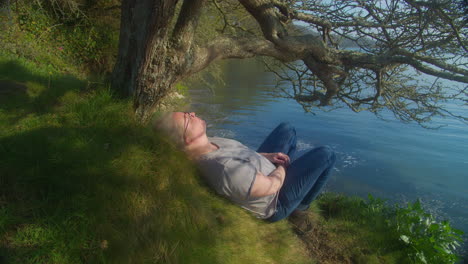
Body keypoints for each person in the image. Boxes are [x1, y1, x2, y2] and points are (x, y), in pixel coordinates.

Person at [155, 112, 336, 223]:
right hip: (275, 199)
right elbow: (270, 187)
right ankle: (300, 208)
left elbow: (242, 153)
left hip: (260, 167)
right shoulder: (223, 169)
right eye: (188, 118)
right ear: (186, 139)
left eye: (188, 112)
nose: (193, 113)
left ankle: (299, 190)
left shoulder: (211, 142)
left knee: (287, 128)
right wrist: (283, 168)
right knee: (326, 155)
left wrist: (268, 157)